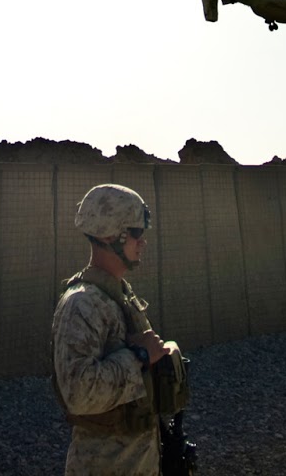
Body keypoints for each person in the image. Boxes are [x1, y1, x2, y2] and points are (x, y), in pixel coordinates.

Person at [51, 183, 180, 476]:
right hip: (104, 464)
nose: (142, 242)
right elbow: (78, 393)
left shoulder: (119, 293)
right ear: (111, 236)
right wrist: (139, 356)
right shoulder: (81, 303)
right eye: (136, 233)